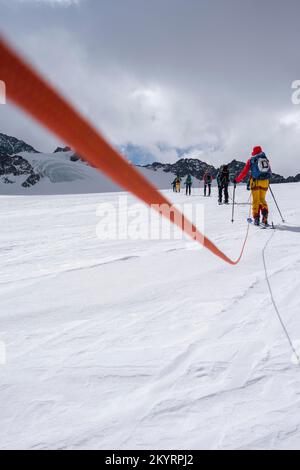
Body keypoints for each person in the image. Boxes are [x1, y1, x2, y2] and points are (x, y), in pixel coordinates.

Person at [234, 146, 271, 226]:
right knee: (262, 199)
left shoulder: (251, 160)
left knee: (256, 200)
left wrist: (237, 180)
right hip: (265, 182)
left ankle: (256, 218)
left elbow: (244, 172)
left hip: (255, 182)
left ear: (253, 152)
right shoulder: (265, 158)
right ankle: (265, 217)